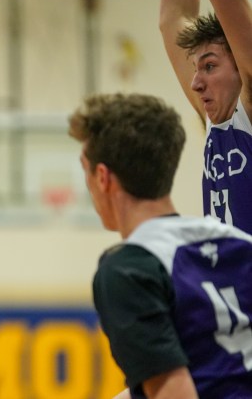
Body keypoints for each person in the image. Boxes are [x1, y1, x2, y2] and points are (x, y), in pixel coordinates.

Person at [68, 93, 252, 399]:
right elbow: (212, 369)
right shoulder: (238, 243)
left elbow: (174, 393)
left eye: (84, 168)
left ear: (102, 177)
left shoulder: (128, 269)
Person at [159, 0, 252, 232]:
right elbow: (172, 18)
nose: (195, 83)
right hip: (224, 269)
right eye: (196, 68)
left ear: (240, 67)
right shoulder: (217, 118)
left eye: (209, 66)